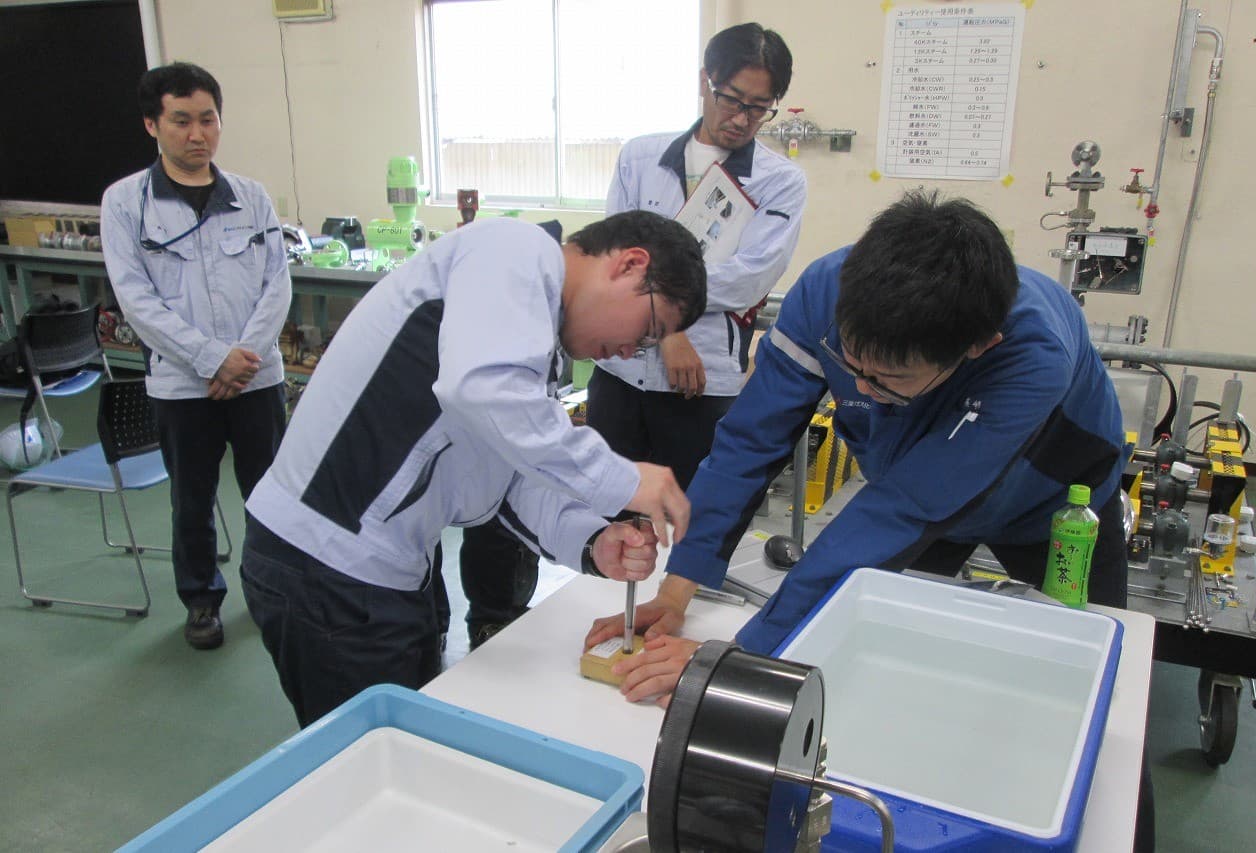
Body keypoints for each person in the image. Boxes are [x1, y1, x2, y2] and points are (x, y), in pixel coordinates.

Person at [587, 191, 1155, 851]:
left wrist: (735, 660)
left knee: (1102, 711)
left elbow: (899, 513)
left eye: (887, 378)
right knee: (871, 657)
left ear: (978, 346)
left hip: (1053, 505)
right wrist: (679, 586)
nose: (858, 388)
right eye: (849, 365)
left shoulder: (1032, 355)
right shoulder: (826, 291)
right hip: (918, 484)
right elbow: (749, 439)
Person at [241, 211, 706, 727]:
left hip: (380, 574)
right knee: (364, 775)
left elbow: (507, 476)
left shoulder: (531, 338)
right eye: (647, 331)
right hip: (325, 568)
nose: (628, 351)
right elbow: (483, 391)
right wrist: (623, 479)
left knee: (403, 755)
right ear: (630, 265)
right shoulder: (517, 249)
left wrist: (593, 541)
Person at [100, 62, 291, 651]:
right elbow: (137, 301)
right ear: (152, 125)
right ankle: (202, 601)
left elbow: (276, 286)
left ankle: (272, 590)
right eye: (180, 120)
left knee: (270, 495)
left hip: (257, 380)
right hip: (184, 387)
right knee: (192, 500)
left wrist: (243, 360)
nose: (196, 134)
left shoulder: (252, 197)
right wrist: (212, 361)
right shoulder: (126, 204)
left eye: (207, 119)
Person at [587, 22, 806, 491]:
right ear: (704, 81)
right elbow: (616, 257)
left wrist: (662, 312)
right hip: (619, 372)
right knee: (605, 517)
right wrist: (668, 332)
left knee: (690, 518)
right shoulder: (640, 158)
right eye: (732, 99)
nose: (742, 119)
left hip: (700, 384)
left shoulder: (779, 181)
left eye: (759, 108)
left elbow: (748, 278)